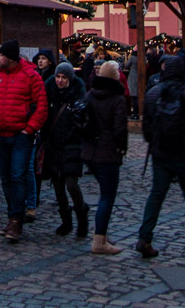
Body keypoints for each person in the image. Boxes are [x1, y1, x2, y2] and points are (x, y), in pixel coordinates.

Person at [135, 56, 185, 258]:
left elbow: (145, 128)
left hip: (160, 155)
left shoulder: (153, 93)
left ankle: (145, 238)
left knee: (156, 196)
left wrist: (154, 145)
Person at [0, 39, 47, 242]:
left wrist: (29, 129)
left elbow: (42, 105)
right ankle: (13, 216)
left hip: (20, 136)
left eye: (0, 54)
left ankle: (16, 220)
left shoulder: (30, 76)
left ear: (9, 56)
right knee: (6, 178)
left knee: (18, 176)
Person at [84, 60, 128, 254]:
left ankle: (101, 235)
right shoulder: (118, 99)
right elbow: (120, 129)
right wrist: (122, 148)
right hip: (108, 152)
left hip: (90, 152)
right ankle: (99, 240)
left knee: (104, 194)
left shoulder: (89, 96)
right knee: (107, 197)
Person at [42, 61, 88, 238]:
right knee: (58, 188)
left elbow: (83, 124)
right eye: (58, 77)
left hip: (72, 147)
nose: (60, 81)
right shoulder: (49, 95)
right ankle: (66, 221)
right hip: (54, 146)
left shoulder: (77, 98)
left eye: (63, 77)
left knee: (72, 185)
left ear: (70, 79)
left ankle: (82, 219)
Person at [122, 49, 139, 120]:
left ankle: (134, 113)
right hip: (139, 76)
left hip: (132, 76)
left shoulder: (132, 57)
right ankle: (137, 112)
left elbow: (127, 65)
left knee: (133, 96)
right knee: (137, 96)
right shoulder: (143, 57)